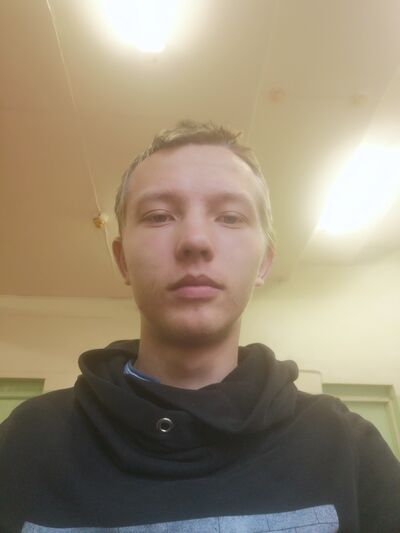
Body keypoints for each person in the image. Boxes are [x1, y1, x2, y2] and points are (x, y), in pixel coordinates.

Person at [0, 121, 399, 533]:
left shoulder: (346, 446)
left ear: (264, 263)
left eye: (229, 217)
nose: (195, 241)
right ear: (122, 261)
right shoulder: (25, 443)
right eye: (159, 216)